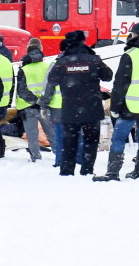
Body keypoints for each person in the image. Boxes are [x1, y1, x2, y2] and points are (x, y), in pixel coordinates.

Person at [94, 23, 139, 181]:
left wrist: (115, 107)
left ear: (135, 36)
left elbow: (120, 84)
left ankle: (112, 173)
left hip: (130, 105)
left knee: (118, 138)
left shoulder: (130, 55)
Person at [43, 31, 112, 176]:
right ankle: (87, 169)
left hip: (70, 109)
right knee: (91, 141)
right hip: (92, 109)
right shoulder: (94, 60)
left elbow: (52, 80)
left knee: (69, 141)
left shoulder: (62, 62)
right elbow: (108, 75)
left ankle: (67, 170)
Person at [16, 45, 57, 163]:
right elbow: (52, 86)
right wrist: (42, 101)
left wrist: (34, 100)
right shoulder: (48, 66)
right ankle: (58, 154)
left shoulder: (24, 69)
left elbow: (22, 90)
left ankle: (35, 157)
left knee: (32, 134)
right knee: (51, 132)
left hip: (28, 106)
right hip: (45, 106)